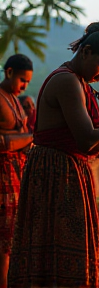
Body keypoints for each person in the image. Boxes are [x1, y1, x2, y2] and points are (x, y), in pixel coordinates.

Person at [8, 22, 99, 288]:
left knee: (69, 249)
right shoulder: (66, 80)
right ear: (86, 52)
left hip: (68, 171)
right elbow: (87, 140)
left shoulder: (80, 82)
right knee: (55, 249)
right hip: (54, 172)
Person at [0, 54, 33, 288]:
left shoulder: (14, 99)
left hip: (16, 171)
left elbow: (13, 138)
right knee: (4, 237)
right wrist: (31, 136)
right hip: (2, 173)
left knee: (12, 236)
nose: (24, 86)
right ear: (9, 72)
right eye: (22, 80)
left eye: (28, 83)